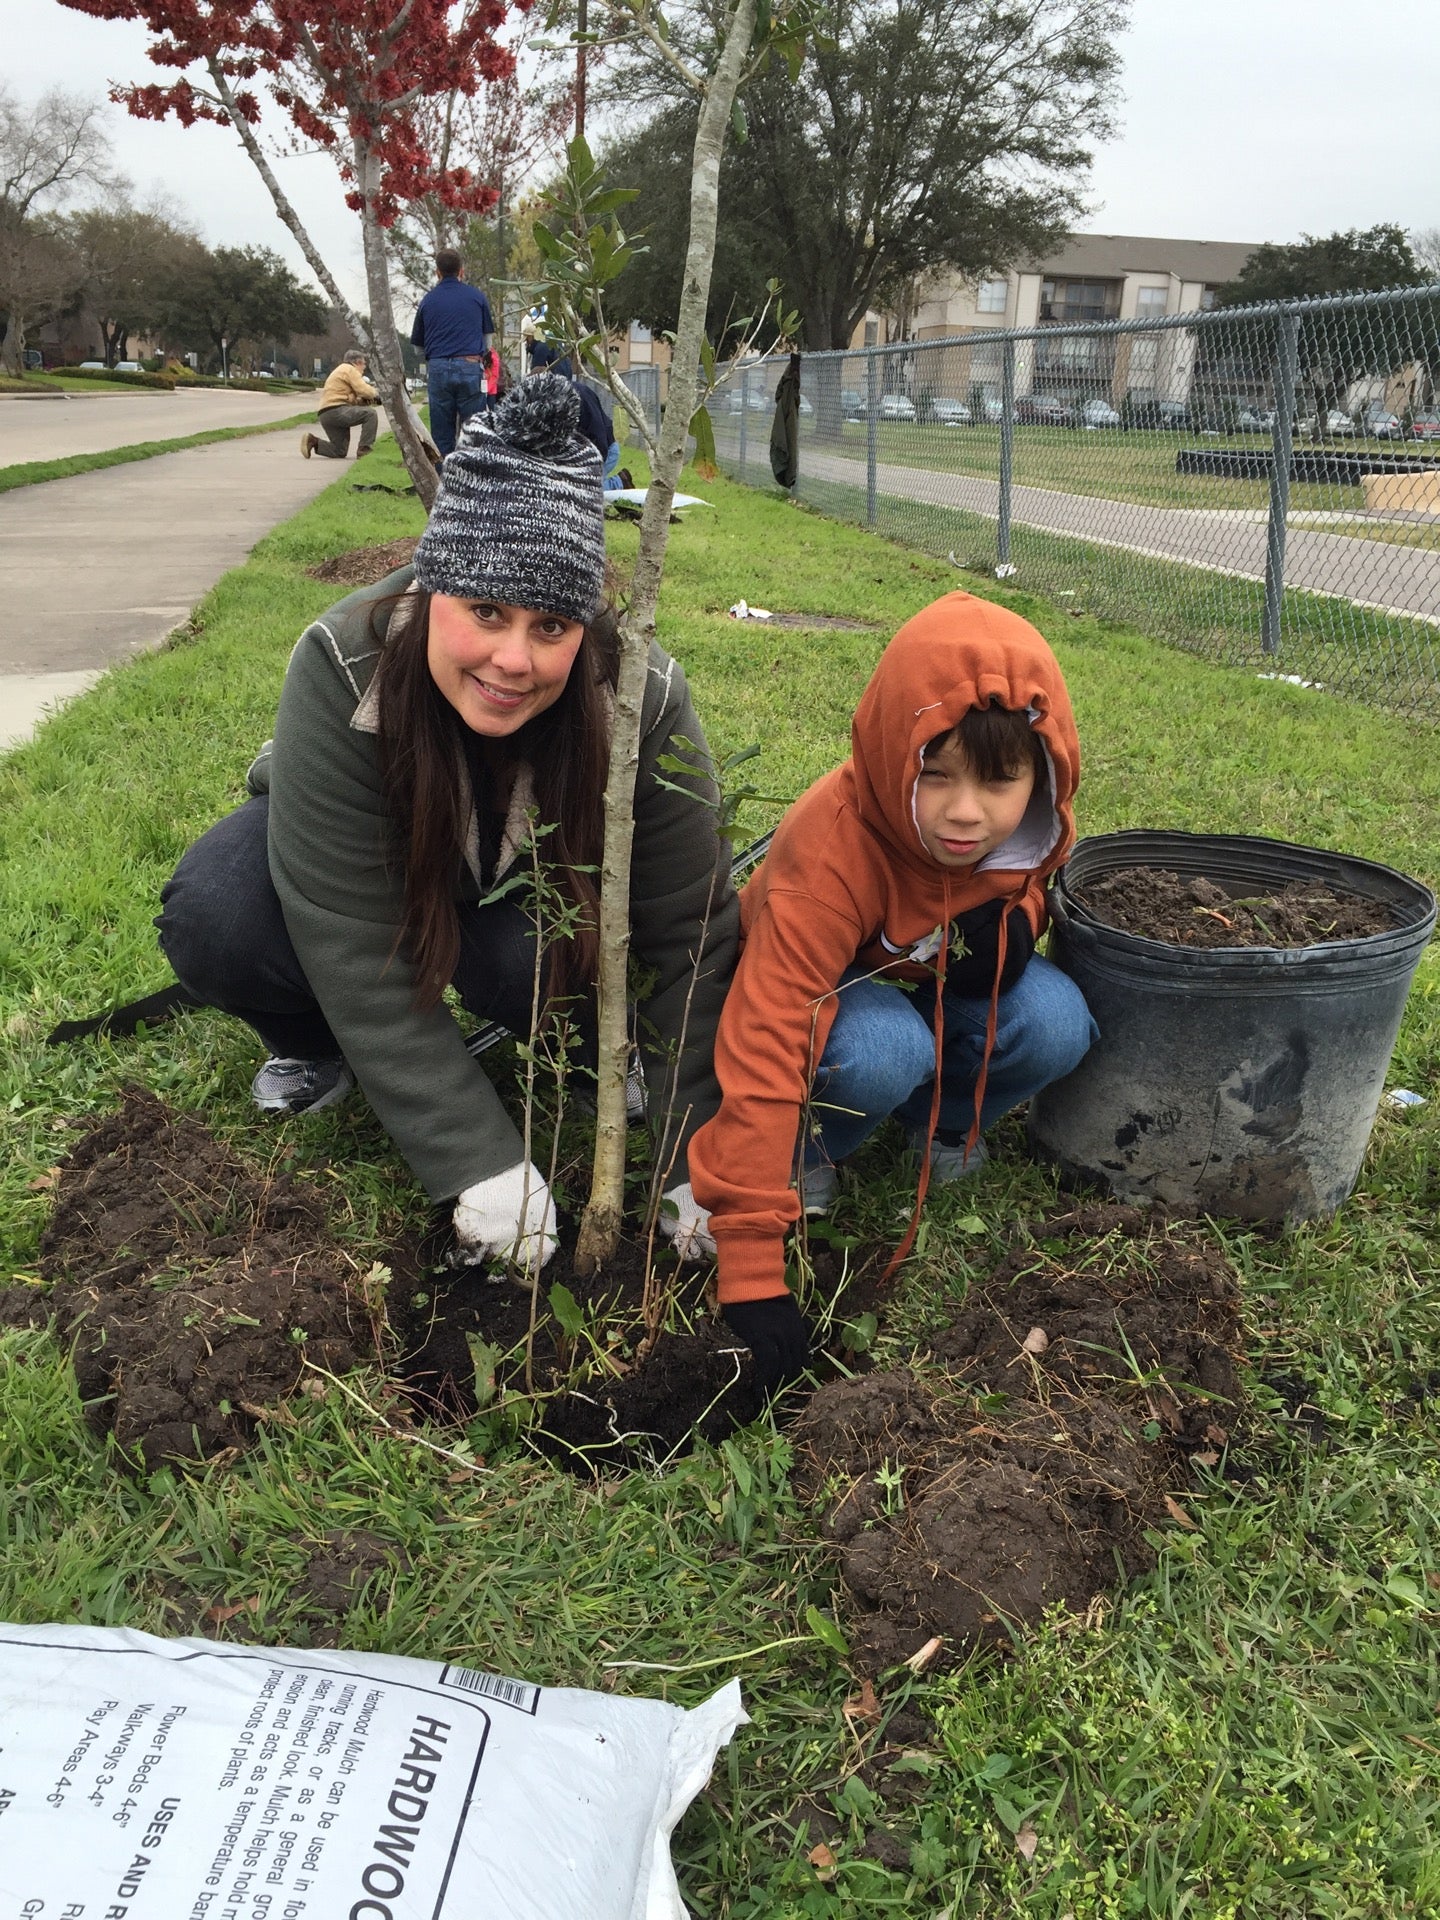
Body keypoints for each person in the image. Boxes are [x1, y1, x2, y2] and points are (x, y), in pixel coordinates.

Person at [159, 375, 735, 1279]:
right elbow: (349, 932)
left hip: (516, 889)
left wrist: (701, 1146)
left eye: (552, 625)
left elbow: (684, 927)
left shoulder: (642, 700)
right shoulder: (343, 664)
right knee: (219, 911)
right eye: (487, 614)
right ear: (435, 590)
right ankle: (319, 1048)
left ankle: (593, 1054)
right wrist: (477, 1162)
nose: (514, 660)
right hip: (377, 867)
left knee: (533, 957)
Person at [685, 593, 1097, 1387]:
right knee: (883, 1049)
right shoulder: (834, 847)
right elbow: (770, 1024)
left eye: (1000, 783)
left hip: (928, 972)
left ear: (1042, 776)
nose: (966, 814)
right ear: (891, 753)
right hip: (837, 988)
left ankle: (937, 1126)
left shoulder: (1030, 826)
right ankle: (804, 1155)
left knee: (1057, 1020)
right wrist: (749, 1267)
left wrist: (1018, 924)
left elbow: (1032, 885)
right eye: (934, 776)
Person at [411, 248, 495, 458]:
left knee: (441, 434)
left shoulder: (428, 301)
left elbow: (417, 347)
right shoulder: (477, 297)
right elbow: (488, 340)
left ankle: (444, 480)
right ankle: (473, 480)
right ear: (462, 272)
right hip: (470, 365)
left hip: (438, 368)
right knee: (474, 430)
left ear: (437, 272)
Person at [529, 342, 631, 491]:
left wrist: (589, 470)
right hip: (580, 452)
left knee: (584, 491)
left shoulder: (579, 396)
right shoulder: (548, 406)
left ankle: (619, 483)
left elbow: (599, 437)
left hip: (605, 450)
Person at [300, 350, 379, 460]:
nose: (364, 368)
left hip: (326, 414)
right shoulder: (350, 369)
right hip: (337, 410)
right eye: (364, 364)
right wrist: (377, 395)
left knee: (339, 451)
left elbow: (349, 398)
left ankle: (312, 441)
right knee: (370, 414)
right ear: (358, 362)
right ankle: (364, 449)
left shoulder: (340, 371)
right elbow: (364, 390)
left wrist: (365, 401)